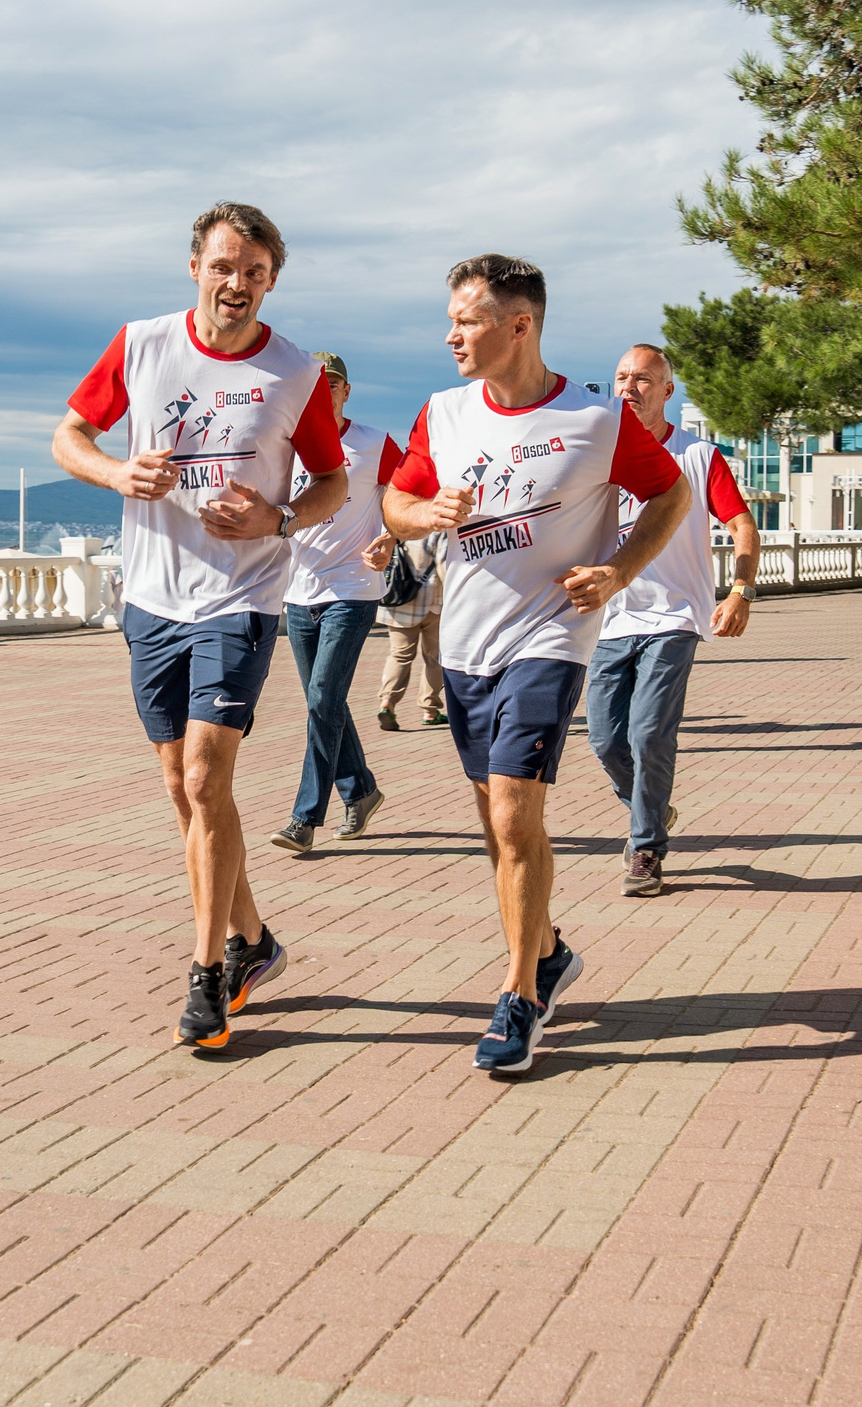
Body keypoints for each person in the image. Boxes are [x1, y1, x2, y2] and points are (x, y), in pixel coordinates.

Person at [385, 255, 691, 1074]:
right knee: (497, 821)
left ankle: (519, 995)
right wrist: (426, 510)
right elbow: (395, 503)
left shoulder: (596, 420)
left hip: (550, 638)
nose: (451, 336)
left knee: (518, 815)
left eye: (467, 321)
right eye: (450, 321)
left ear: (519, 325)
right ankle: (548, 952)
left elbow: (671, 495)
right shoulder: (444, 413)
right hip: (465, 645)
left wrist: (618, 572)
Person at [53, 201, 349, 1048]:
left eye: (254, 272)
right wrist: (116, 474)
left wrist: (278, 519)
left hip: (240, 596)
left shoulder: (294, 372)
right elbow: (68, 437)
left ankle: (208, 970)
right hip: (152, 597)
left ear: (272, 281)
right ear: (195, 268)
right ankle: (255, 939)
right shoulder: (142, 345)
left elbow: (331, 482)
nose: (236, 284)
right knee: (183, 789)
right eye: (223, 267)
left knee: (207, 778)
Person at [589, 343, 759, 897]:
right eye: (621, 377)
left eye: (642, 379)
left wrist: (740, 590)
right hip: (610, 619)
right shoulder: (598, 454)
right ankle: (653, 808)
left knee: (648, 733)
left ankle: (646, 848)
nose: (628, 388)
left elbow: (742, 526)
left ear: (666, 391)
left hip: (675, 616)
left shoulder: (697, 455)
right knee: (604, 739)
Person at [270, 352, 405, 856]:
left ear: (346, 391)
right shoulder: (285, 447)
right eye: (313, 384)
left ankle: (305, 818)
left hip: (352, 587)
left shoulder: (372, 443)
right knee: (323, 702)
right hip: (297, 593)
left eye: (331, 384)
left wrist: (391, 537)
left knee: (323, 698)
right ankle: (361, 791)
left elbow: (407, 495)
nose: (322, 392)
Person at [375, 530, 448, 731]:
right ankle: (430, 710)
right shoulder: (436, 529)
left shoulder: (393, 527)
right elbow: (444, 568)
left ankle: (387, 702)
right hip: (432, 604)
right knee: (434, 658)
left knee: (399, 655)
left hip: (398, 602)